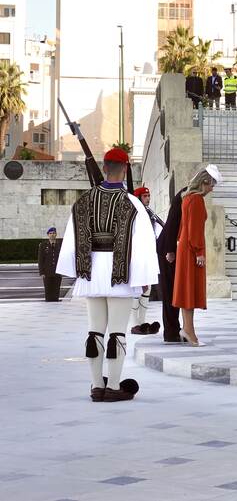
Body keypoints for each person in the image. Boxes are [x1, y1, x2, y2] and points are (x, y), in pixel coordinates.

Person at [56, 147, 159, 402]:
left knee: (94, 331)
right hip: (119, 275)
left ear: (104, 168)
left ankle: (95, 385)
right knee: (117, 331)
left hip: (91, 273)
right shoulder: (133, 203)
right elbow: (143, 244)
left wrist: (76, 271)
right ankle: (112, 386)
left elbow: (71, 240)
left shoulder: (83, 201)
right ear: (125, 170)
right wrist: (143, 277)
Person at [172, 165, 223, 346]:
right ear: (204, 182)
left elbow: (183, 227)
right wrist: (199, 251)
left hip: (185, 247)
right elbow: (194, 229)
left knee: (188, 291)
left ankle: (188, 329)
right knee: (189, 290)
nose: (212, 188)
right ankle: (189, 332)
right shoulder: (196, 200)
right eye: (212, 184)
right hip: (191, 250)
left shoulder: (187, 198)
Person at [129, 186, 164, 336]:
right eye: (145, 196)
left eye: (148, 196)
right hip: (137, 254)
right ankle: (134, 323)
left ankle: (142, 322)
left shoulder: (149, 213)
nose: (148, 199)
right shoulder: (134, 213)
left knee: (147, 288)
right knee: (137, 288)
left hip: (149, 254)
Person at [157, 185, 186, 343]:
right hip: (167, 249)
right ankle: (170, 331)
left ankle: (174, 329)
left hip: (170, 246)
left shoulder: (185, 196)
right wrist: (170, 251)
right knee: (169, 291)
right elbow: (172, 224)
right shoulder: (184, 198)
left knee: (173, 290)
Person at [38, 227, 63, 302]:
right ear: (48, 235)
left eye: (54, 233)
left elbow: (63, 258)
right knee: (48, 287)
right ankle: (48, 300)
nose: (52, 235)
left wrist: (63, 270)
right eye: (50, 233)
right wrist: (41, 272)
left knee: (56, 287)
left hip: (58, 270)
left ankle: (56, 300)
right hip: (47, 271)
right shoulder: (43, 245)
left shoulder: (60, 245)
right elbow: (40, 259)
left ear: (56, 234)